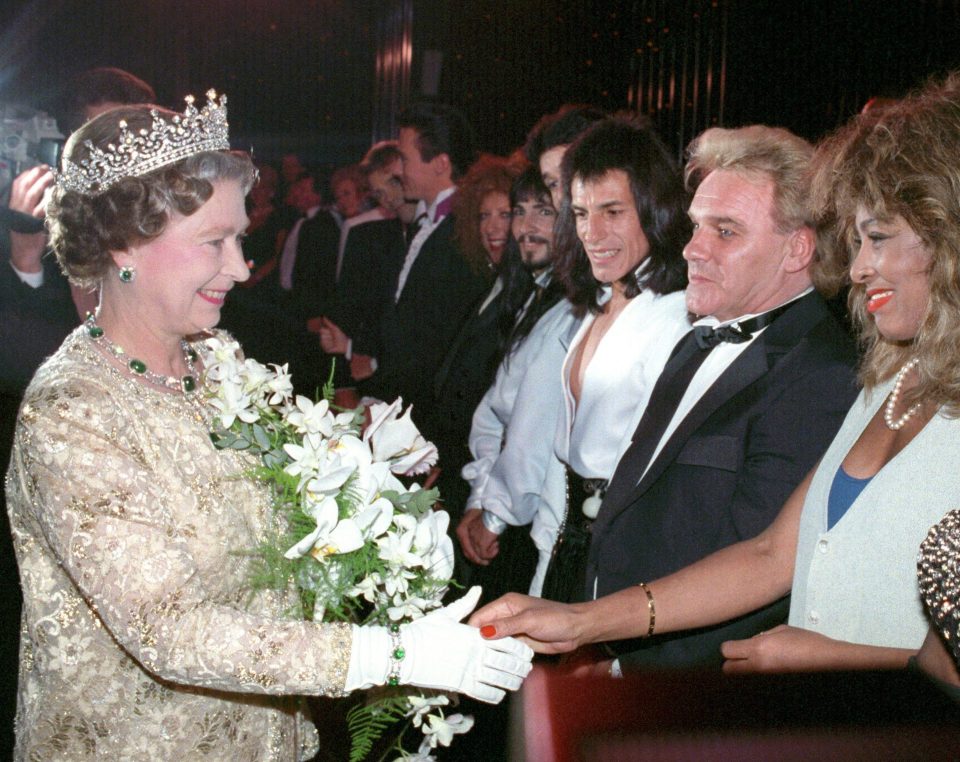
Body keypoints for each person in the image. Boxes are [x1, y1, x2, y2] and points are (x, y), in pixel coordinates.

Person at [5, 93, 532, 759]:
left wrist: (361, 461)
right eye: (213, 242)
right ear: (122, 245)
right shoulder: (74, 410)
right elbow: (169, 630)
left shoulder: (217, 361)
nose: (240, 267)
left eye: (240, 239)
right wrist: (391, 655)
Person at [473, 91, 960, 674]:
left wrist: (837, 660)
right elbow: (768, 555)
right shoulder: (889, 381)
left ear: (946, 236)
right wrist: (582, 622)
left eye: (877, 238)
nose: (856, 267)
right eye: (857, 242)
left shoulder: (827, 371)